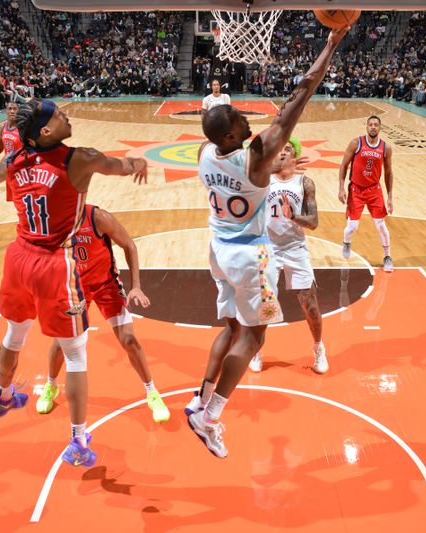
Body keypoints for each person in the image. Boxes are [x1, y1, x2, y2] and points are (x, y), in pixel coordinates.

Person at [185, 26, 349, 458]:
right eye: (239, 120)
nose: (246, 118)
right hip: (250, 256)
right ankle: (211, 414)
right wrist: (331, 44)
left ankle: (199, 396)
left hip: (218, 249)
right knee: (254, 339)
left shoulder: (206, 155)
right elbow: (298, 97)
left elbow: (256, 132)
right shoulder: (256, 159)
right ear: (230, 137)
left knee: (232, 327)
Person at [0, 99, 148, 468]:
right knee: (76, 354)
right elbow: (123, 166)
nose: (66, 115)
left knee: (14, 336)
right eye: (59, 115)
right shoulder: (80, 158)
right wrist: (139, 162)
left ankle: (3, 396)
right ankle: (78, 441)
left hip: (18, 257)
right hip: (53, 263)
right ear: (47, 132)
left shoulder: (17, 158)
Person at [37, 204, 170, 422]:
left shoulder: (97, 217)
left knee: (129, 341)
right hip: (75, 289)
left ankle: (152, 392)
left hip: (106, 285)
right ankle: (51, 386)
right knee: (60, 344)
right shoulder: (53, 224)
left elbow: (129, 245)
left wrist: (136, 286)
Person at [249, 137, 327, 374]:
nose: (283, 152)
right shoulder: (264, 180)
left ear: (296, 154)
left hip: (295, 248)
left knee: (310, 305)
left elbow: (313, 222)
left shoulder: (305, 183)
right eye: (280, 149)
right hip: (268, 248)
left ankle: (318, 347)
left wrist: (293, 215)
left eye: (288, 149)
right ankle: (256, 349)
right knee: (265, 304)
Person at [338, 115, 395, 272]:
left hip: (374, 190)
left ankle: (387, 256)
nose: (373, 127)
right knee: (352, 227)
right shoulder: (356, 143)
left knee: (381, 226)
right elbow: (343, 166)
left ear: (380, 128)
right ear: (367, 127)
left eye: (376, 125)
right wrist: (341, 188)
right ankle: (347, 242)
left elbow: (389, 173)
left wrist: (390, 197)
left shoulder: (386, 148)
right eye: (370, 124)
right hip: (356, 190)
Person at [0, 101, 22, 202]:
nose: (12, 111)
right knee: (16, 202)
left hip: (23, 170)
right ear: (6, 111)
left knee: (25, 201)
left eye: (15, 109)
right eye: (10, 109)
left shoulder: (23, 128)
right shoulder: (3, 127)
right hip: (10, 170)